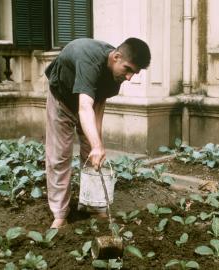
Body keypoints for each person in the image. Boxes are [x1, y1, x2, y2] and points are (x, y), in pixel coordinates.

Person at [44, 37, 151, 229]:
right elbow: (84, 107)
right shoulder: (88, 61)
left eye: (134, 73)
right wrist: (96, 145)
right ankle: (60, 213)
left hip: (88, 104)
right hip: (63, 99)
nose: (129, 77)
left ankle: (92, 205)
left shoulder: (115, 76)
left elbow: (98, 106)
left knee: (92, 154)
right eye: (128, 69)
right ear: (116, 57)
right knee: (59, 156)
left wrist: (97, 144)